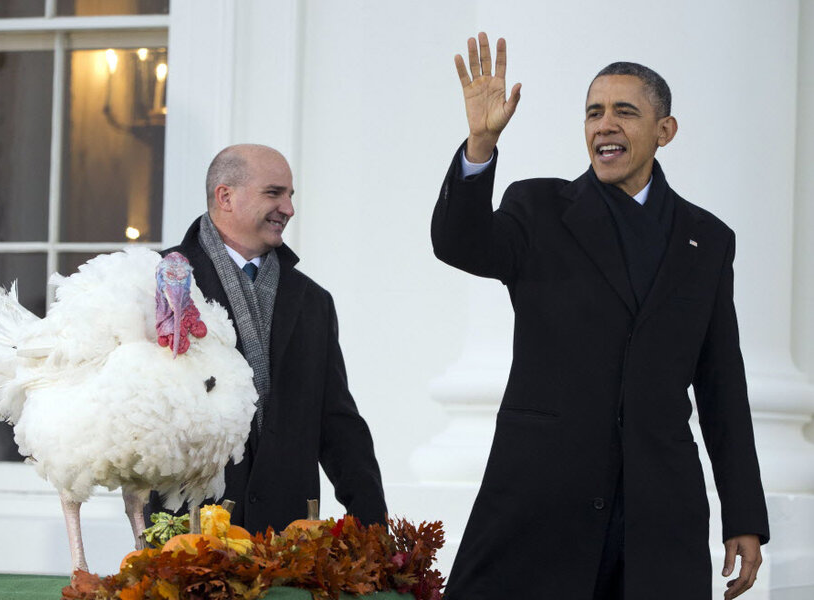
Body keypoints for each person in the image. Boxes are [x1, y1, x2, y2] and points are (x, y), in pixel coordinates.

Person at [432, 33, 769, 600]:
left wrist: (743, 515)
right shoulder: (538, 208)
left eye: (624, 112)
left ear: (665, 131)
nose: (604, 125)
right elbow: (458, 242)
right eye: (594, 112)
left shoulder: (707, 240)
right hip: (542, 502)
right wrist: (480, 146)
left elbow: (721, 385)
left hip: (659, 514)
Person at [146, 144, 386, 535]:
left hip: (289, 536)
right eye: (274, 193)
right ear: (226, 196)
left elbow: (339, 426)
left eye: (290, 195)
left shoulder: (313, 301)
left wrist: (375, 532)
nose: (288, 208)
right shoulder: (159, 280)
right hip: (186, 536)